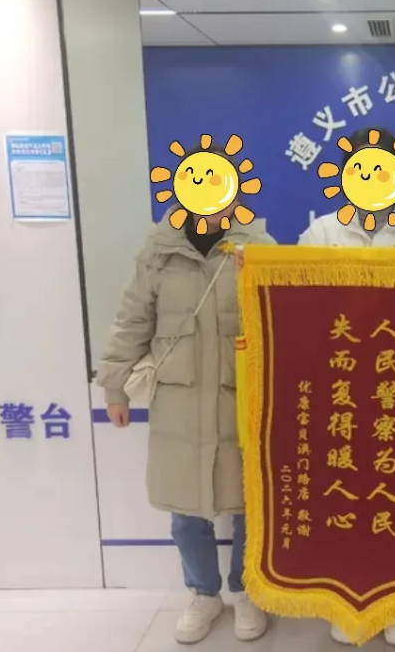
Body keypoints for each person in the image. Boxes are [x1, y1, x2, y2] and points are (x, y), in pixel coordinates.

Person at [95, 144, 276, 645]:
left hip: (241, 399)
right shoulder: (158, 250)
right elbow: (132, 320)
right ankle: (203, 594)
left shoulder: (258, 245)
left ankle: (246, 591)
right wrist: (115, 386)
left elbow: (283, 320)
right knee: (185, 508)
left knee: (248, 504)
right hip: (178, 400)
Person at [299, 126, 395, 646]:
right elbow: (297, 308)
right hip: (340, 388)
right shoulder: (321, 233)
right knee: (343, 496)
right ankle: (346, 600)